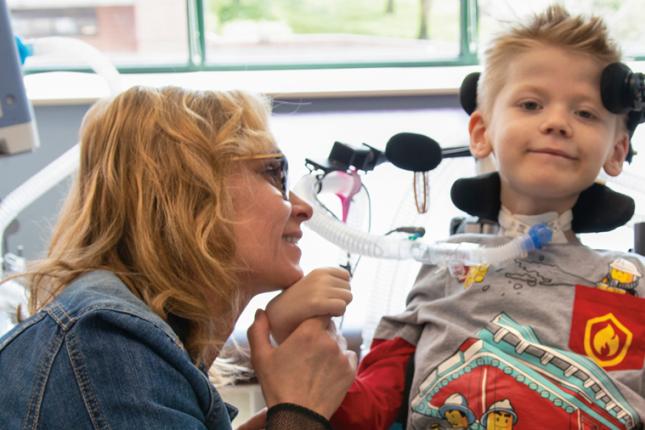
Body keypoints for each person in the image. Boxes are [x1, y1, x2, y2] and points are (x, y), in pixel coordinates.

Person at [268, 5, 645, 429]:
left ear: (617, 150)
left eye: (585, 113)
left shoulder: (631, 283)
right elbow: (366, 410)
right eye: (532, 103)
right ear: (482, 133)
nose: (557, 122)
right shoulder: (443, 269)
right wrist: (300, 330)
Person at [0, 86, 356, 429]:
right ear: (188, 190)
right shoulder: (106, 341)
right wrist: (300, 409)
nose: (303, 207)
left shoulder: (123, 344)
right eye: (274, 172)